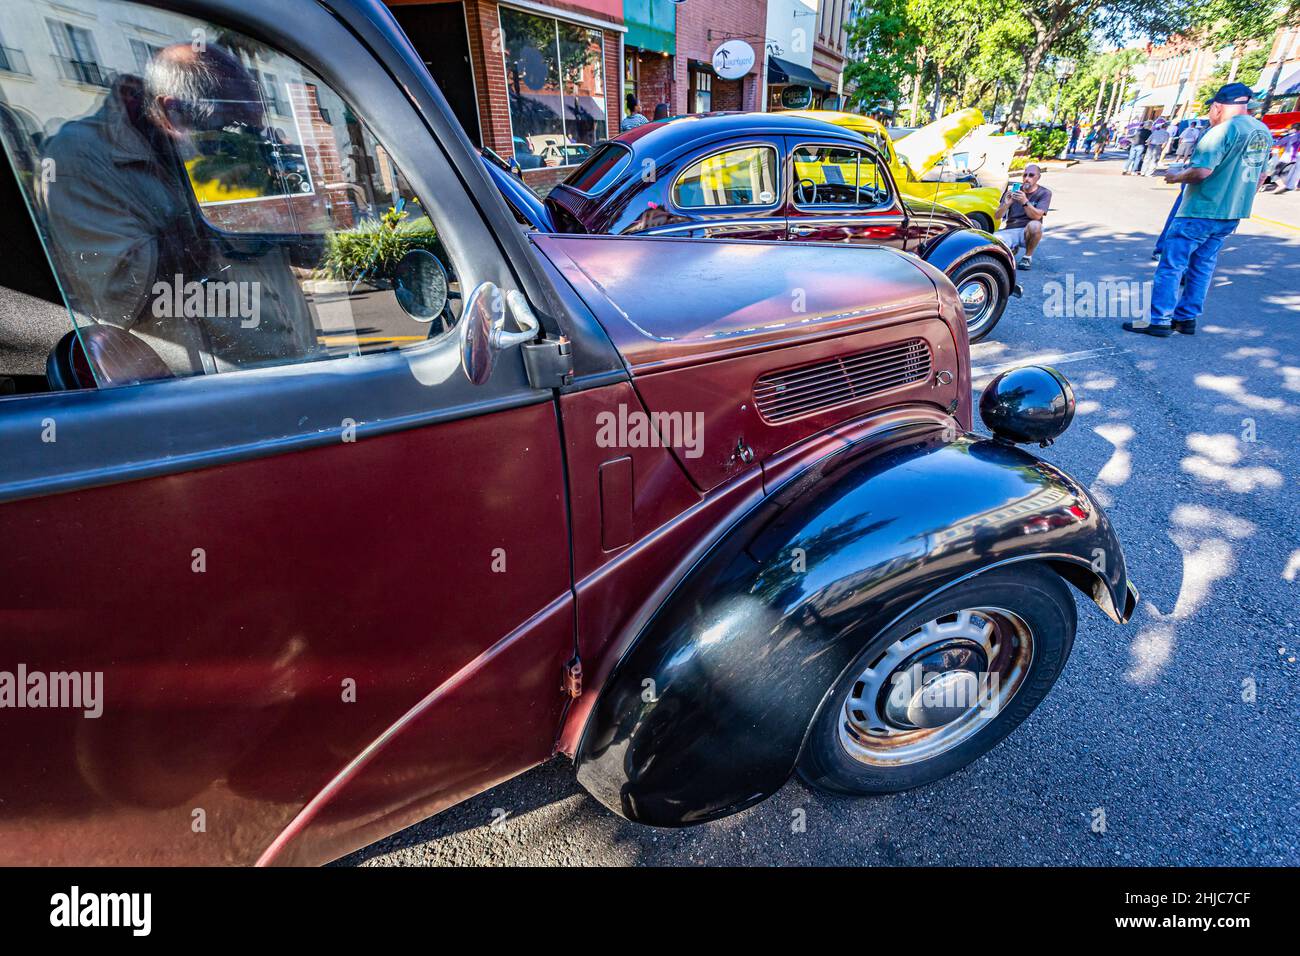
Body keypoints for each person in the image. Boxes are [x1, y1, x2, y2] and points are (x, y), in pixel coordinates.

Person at [37, 43, 317, 374]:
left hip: (297, 364)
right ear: (173, 113)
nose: (245, 142)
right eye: (231, 129)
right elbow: (122, 294)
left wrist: (298, 204)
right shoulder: (80, 157)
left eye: (254, 128)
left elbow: (310, 256)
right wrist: (221, 204)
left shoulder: (219, 145)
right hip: (206, 392)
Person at [1124, 83, 1272, 338]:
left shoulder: (1220, 131)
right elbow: (1261, 176)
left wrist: (1175, 176)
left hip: (1200, 209)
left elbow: (1202, 171)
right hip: (1231, 212)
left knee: (1172, 265)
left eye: (1211, 109)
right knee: (1203, 265)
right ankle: (1186, 318)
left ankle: (1160, 320)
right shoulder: (1262, 132)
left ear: (1217, 106)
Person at [994, 163, 1051, 270]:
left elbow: (1037, 216)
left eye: (1031, 175)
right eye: (1025, 175)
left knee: (1035, 225)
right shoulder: (1012, 192)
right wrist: (1007, 204)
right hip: (1011, 230)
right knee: (994, 241)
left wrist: (1025, 201)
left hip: (1028, 232)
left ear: (1038, 177)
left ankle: (1027, 257)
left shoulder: (1044, 193)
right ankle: (1012, 247)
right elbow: (997, 216)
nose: (1027, 178)